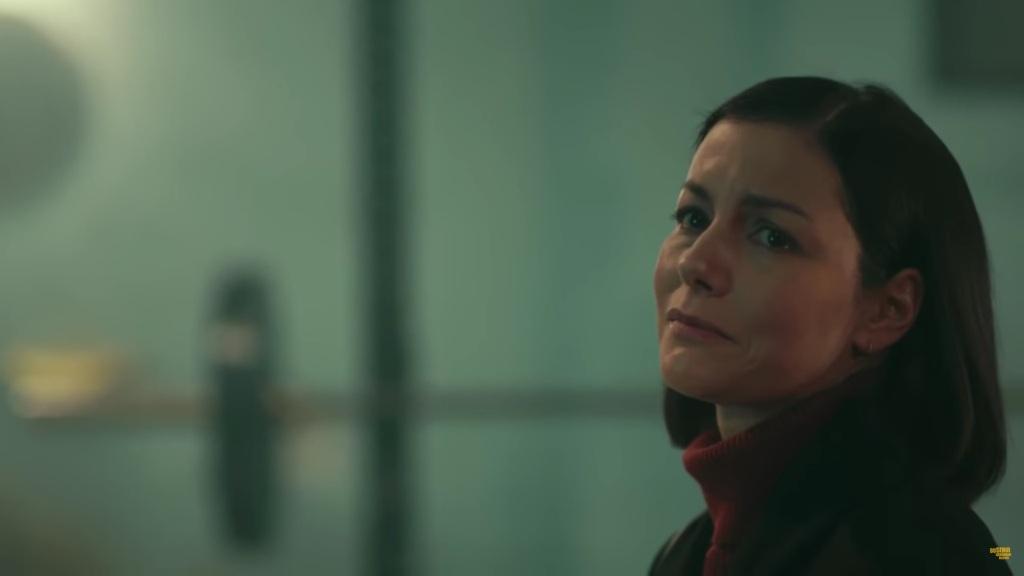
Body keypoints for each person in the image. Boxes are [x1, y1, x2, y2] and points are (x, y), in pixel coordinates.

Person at [649, 76, 1011, 575]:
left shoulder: (920, 556)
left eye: (772, 236)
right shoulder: (688, 551)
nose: (696, 263)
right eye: (693, 218)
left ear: (887, 309)